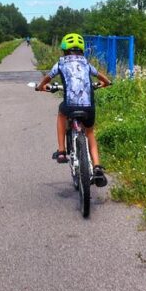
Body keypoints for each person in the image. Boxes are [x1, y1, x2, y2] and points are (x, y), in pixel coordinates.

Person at [35, 33, 112, 186]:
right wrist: (106, 83)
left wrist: (40, 87)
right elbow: (104, 79)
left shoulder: (61, 63)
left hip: (70, 106)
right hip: (88, 107)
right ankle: (97, 167)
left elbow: (47, 78)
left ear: (64, 49)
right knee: (89, 132)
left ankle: (62, 151)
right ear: (82, 50)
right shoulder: (86, 63)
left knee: (61, 113)